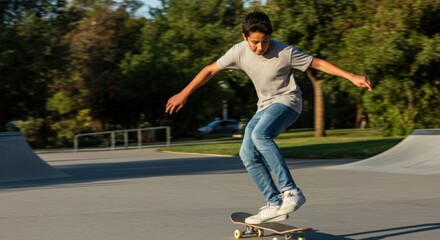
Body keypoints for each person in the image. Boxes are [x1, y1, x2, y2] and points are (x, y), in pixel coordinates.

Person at [165, 10, 372, 224]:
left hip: (288, 102)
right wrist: (184, 93)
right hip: (263, 106)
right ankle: (274, 203)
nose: (260, 47)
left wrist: (350, 76)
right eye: (254, 42)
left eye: (265, 41)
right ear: (245, 37)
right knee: (247, 153)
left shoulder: (285, 52)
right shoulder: (238, 51)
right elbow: (210, 70)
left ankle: (291, 191)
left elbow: (317, 63)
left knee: (260, 134)